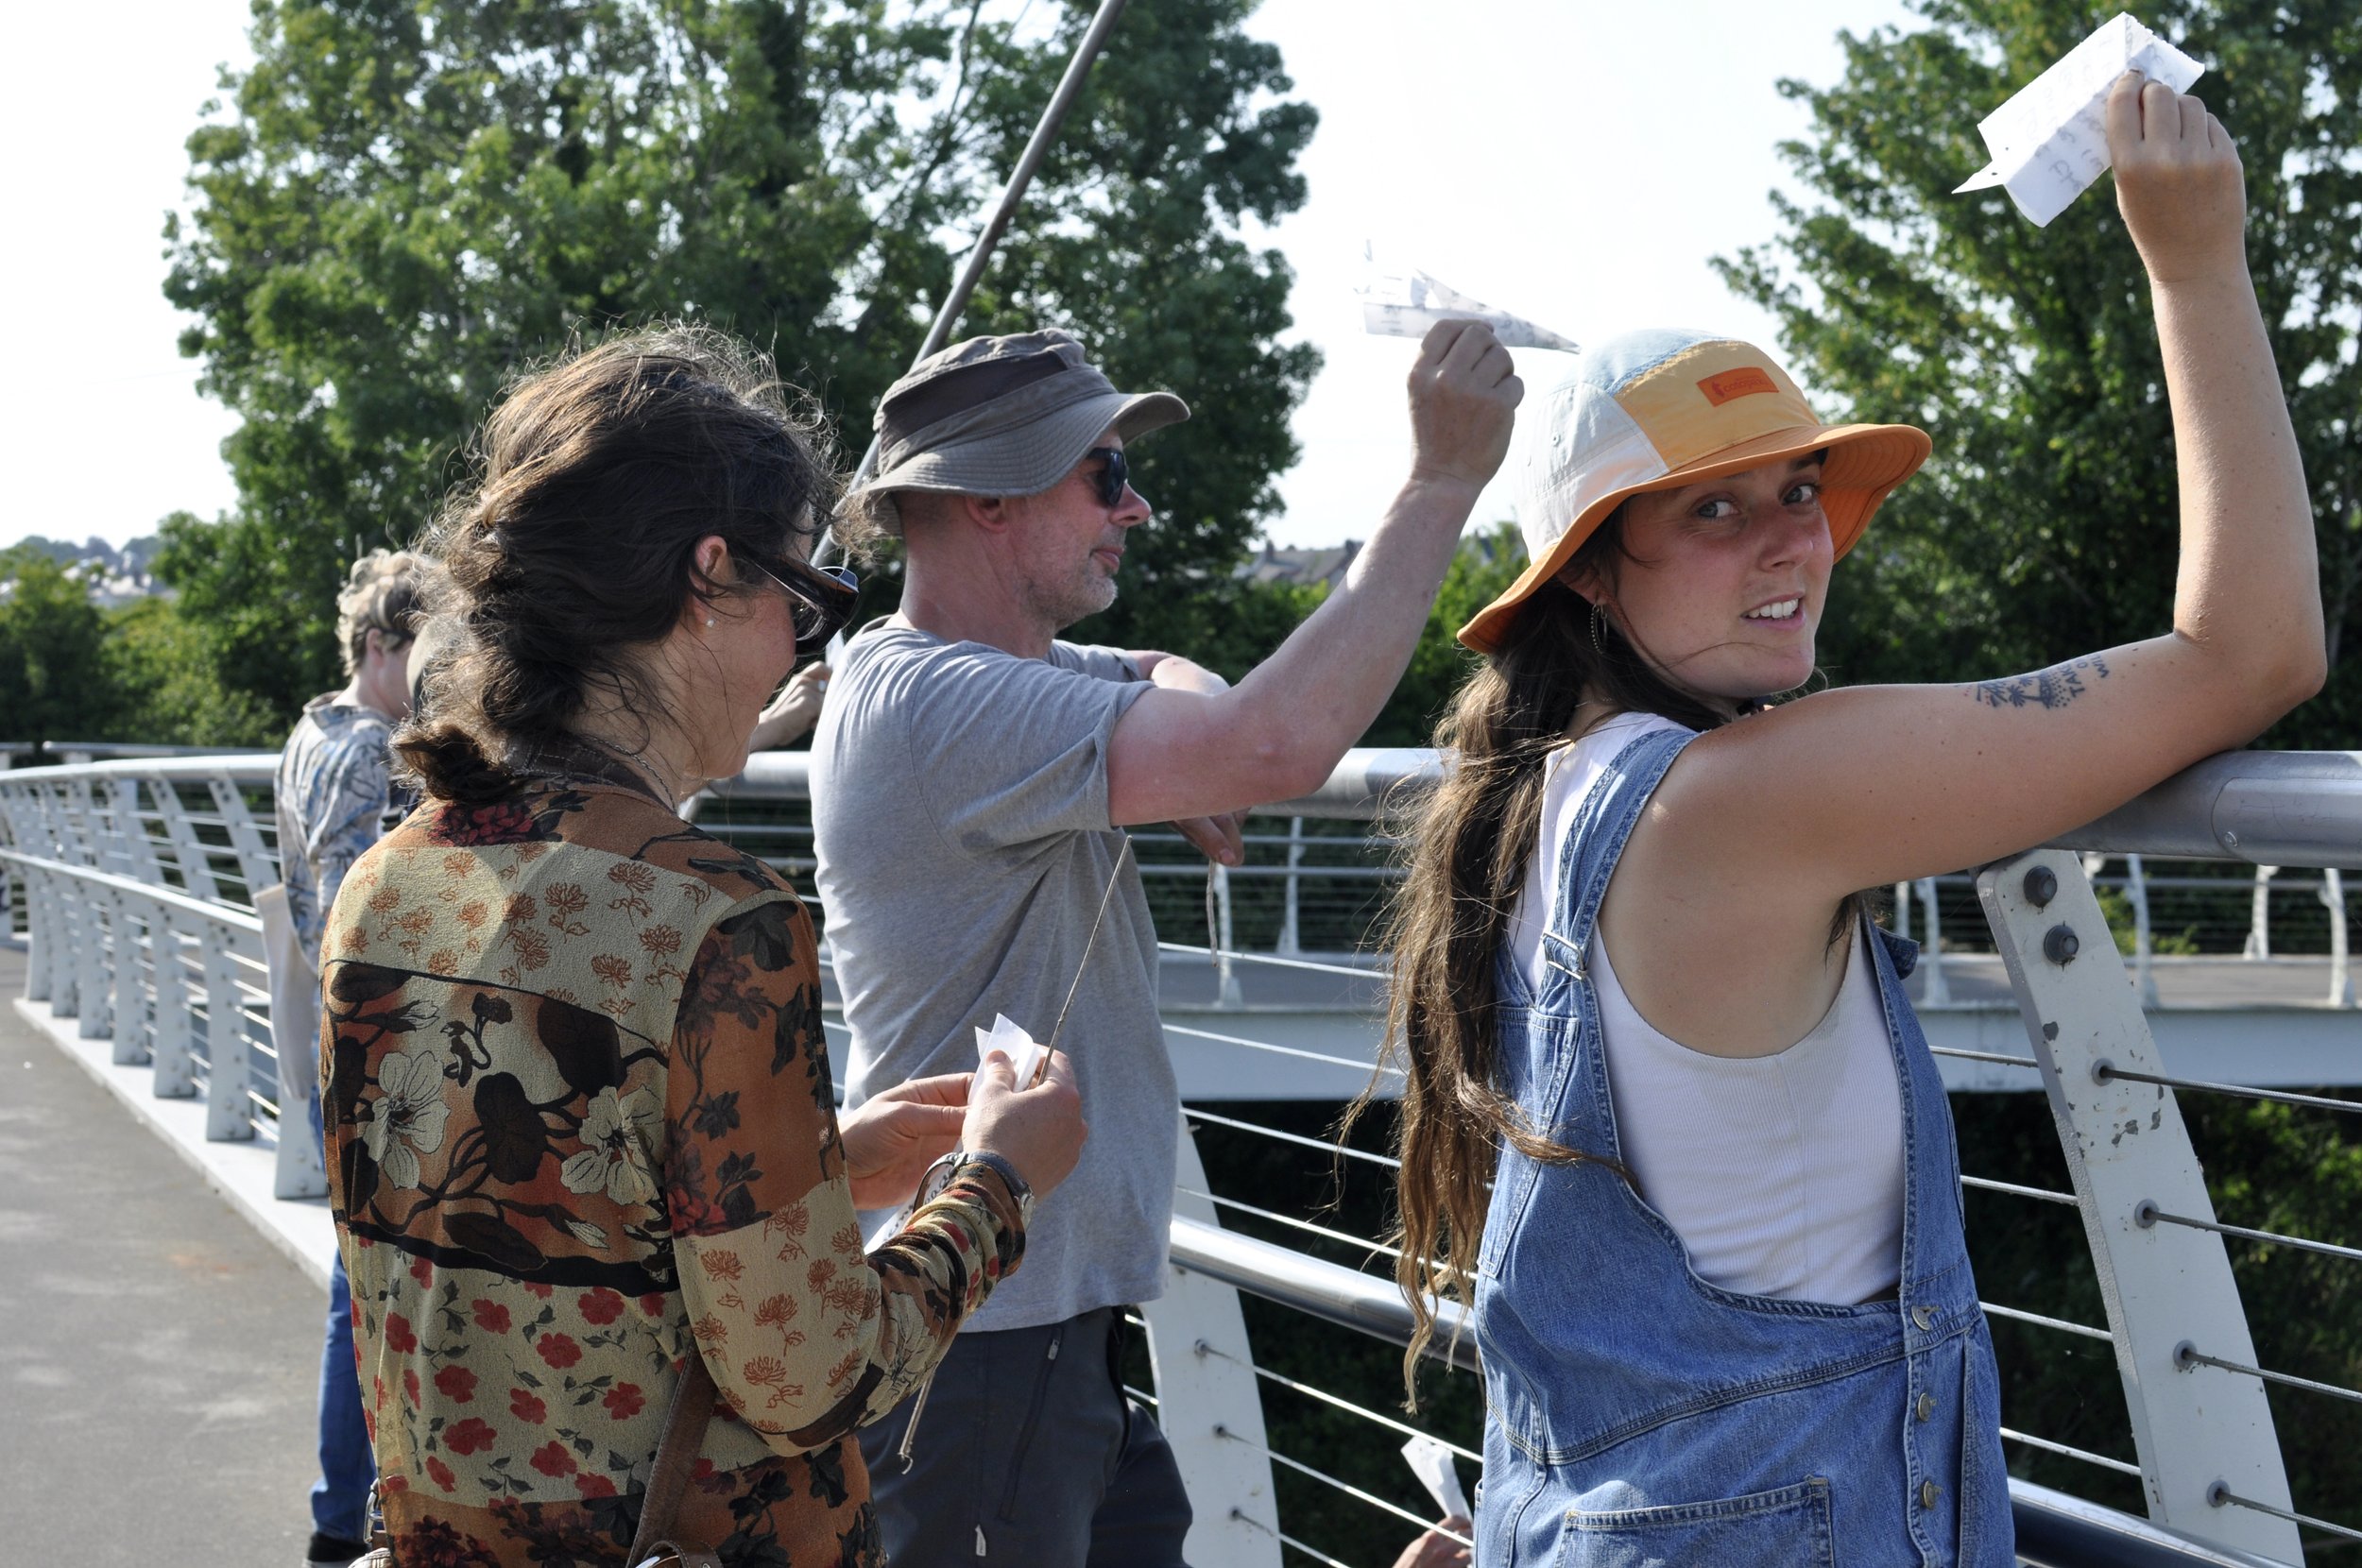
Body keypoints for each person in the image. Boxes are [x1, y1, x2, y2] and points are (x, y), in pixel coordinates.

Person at [1368, 77, 2321, 1567]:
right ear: (1592, 579)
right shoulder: (1747, 798)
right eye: (1714, 509)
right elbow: (2253, 654)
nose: (1793, 537)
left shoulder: (1536, 795)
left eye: (1800, 488)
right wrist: (2194, 259)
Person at [317, 324, 1086, 1566]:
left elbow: (538, 1219)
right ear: (711, 577)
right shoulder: (717, 921)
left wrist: (828, 1164)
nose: (802, 648)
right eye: (806, 601)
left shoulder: (389, 885)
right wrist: (1000, 1186)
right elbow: (807, 1378)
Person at [814, 322, 1519, 1565]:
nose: (1134, 507)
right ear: (986, 496)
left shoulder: (996, 670)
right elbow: (1277, 742)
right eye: (1102, 474)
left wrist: (1191, 732)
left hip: (1034, 1334)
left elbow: (1159, 672)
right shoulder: (938, 703)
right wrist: (1443, 482)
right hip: (978, 1355)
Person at [276, 547, 432, 1568]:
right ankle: (358, 1519)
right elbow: (360, 913)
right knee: (373, 1291)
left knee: (355, 1285)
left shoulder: (309, 734)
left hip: (331, 1048)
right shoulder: (373, 751)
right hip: (379, 1053)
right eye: (423, 651)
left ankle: (342, 1516)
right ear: (381, 645)